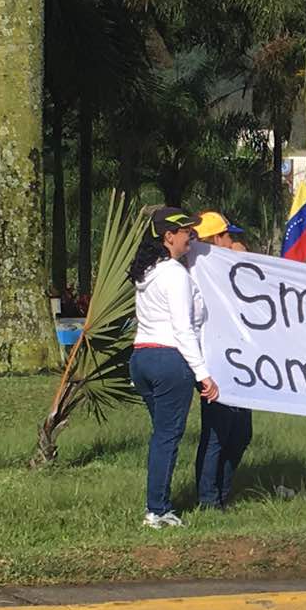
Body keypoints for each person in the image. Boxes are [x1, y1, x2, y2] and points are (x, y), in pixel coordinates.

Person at [128, 207, 218, 528]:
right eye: (187, 233)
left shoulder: (147, 271)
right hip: (169, 360)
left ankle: (158, 504)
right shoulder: (174, 273)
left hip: (141, 358)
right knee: (167, 436)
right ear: (169, 236)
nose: (191, 239)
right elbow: (183, 328)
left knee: (161, 435)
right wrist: (203, 374)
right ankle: (158, 510)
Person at [192, 211, 253, 509]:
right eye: (229, 236)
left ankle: (222, 492)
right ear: (216, 239)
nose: (234, 242)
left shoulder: (226, 269)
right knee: (217, 432)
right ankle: (208, 498)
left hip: (241, 360)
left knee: (241, 433)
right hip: (214, 362)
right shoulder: (197, 271)